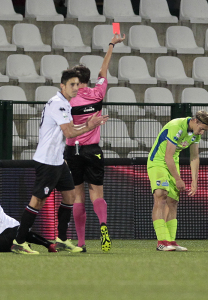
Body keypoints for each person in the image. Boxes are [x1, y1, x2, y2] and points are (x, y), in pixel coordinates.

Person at [12, 69, 109, 254]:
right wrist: (89, 126)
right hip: (47, 160)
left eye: (77, 84)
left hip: (57, 160)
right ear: (62, 86)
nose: (75, 88)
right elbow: (70, 133)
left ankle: (62, 240)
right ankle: (19, 241)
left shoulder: (64, 103)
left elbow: (71, 128)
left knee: (70, 196)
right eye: (71, 84)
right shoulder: (59, 104)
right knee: (38, 201)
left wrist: (90, 125)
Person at [64, 34, 125, 252]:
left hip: (73, 150)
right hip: (93, 150)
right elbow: (103, 71)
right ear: (88, 80)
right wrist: (111, 45)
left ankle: (81, 242)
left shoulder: (68, 99)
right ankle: (103, 225)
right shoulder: (98, 92)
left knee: (78, 196)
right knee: (97, 194)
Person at [148, 111, 208, 251]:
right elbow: (167, 156)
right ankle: (161, 242)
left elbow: (194, 156)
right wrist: (178, 179)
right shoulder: (176, 126)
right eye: (201, 128)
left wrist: (194, 181)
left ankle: (171, 241)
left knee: (173, 201)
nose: (201, 133)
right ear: (195, 120)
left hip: (173, 162)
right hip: (158, 162)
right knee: (161, 195)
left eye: (204, 130)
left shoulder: (195, 134)